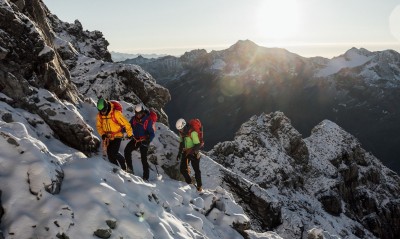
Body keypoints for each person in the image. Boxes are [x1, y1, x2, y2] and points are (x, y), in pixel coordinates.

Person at [96, 98, 133, 171]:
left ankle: (123, 165)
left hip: (117, 135)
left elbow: (126, 124)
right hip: (108, 137)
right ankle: (117, 170)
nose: (102, 113)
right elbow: (99, 126)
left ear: (106, 107)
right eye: (100, 111)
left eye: (103, 111)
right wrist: (103, 134)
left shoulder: (116, 113)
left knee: (114, 153)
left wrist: (130, 134)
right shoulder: (100, 115)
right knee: (110, 156)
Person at [124, 104, 155, 181]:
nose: (138, 115)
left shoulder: (148, 121)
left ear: (143, 112)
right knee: (127, 150)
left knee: (143, 158)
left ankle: (146, 177)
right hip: (136, 139)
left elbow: (152, 133)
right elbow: (129, 126)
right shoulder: (134, 119)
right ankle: (130, 169)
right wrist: (121, 130)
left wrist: (148, 140)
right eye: (137, 113)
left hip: (144, 140)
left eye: (140, 113)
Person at [176, 118, 203, 192]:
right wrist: (179, 153)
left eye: (181, 129)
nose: (180, 131)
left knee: (196, 170)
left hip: (194, 152)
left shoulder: (193, 133)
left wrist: (192, 153)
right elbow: (181, 143)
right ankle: (190, 183)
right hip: (186, 151)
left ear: (184, 126)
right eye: (179, 129)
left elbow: (198, 144)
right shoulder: (181, 133)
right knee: (182, 169)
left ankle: (199, 187)